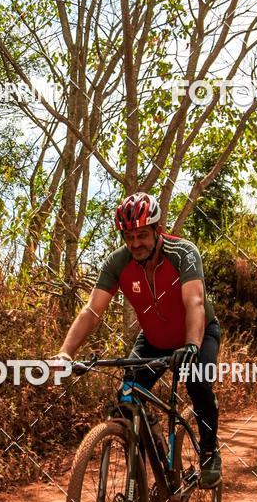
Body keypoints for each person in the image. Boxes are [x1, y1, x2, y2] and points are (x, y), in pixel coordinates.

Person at [52, 192, 221, 487]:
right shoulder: (118, 263)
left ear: (158, 230)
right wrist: (65, 352)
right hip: (154, 339)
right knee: (126, 399)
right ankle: (160, 466)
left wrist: (192, 345)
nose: (135, 243)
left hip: (198, 333)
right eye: (128, 236)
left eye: (142, 235)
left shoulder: (183, 253)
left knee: (198, 381)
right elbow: (92, 310)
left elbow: (194, 301)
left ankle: (209, 451)